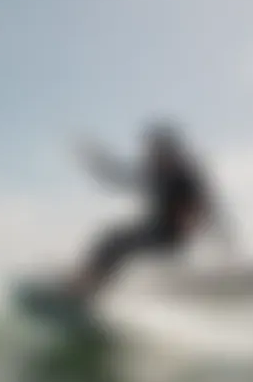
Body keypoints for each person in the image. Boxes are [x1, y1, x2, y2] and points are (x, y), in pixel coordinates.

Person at [68, 123, 227, 300]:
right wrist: (98, 162)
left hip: (170, 237)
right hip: (156, 230)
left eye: (156, 152)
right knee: (111, 240)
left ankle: (88, 286)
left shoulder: (184, 177)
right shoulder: (155, 173)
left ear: (169, 151)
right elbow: (122, 175)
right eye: (152, 152)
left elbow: (204, 210)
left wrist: (206, 236)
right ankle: (91, 285)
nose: (152, 156)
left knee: (117, 242)